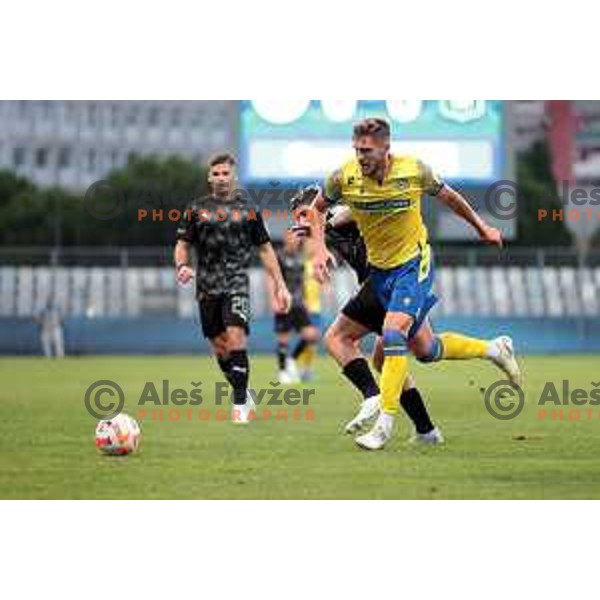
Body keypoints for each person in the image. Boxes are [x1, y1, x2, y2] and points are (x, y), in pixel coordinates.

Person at [309, 117, 521, 450]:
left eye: (367, 150)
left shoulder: (414, 170)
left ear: (385, 148)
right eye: (357, 150)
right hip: (380, 276)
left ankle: (383, 426)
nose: (360, 156)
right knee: (422, 349)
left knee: (393, 335)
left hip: (413, 265)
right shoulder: (344, 177)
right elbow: (316, 210)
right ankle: (492, 351)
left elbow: (451, 198)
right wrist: (319, 248)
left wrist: (482, 227)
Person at [292, 188, 441, 443]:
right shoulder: (324, 231)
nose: (301, 222)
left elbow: (355, 210)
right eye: (298, 218)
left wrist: (325, 219)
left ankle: (372, 395)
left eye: (304, 214)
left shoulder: (341, 211)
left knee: (337, 338)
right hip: (394, 283)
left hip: (389, 280)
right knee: (404, 357)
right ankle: (426, 430)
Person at [175, 153, 292, 423]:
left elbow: (265, 249)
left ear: (233, 176)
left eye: (225, 174)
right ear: (209, 177)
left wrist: (280, 285)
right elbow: (182, 244)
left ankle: (239, 406)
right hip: (206, 286)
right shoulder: (195, 209)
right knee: (220, 347)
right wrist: (182, 265)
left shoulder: (248, 210)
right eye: (215, 174)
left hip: (237, 282)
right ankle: (242, 390)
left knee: (236, 336)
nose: (220, 179)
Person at [270, 229, 320, 384]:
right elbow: (272, 278)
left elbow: (301, 281)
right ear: (285, 238)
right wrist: (274, 299)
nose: (295, 240)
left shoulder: (301, 258)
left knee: (312, 335)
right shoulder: (279, 256)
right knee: (283, 339)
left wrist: (305, 299)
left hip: (299, 303)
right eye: (292, 236)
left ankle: (292, 359)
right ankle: (283, 371)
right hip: (284, 301)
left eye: (297, 237)